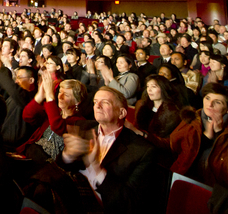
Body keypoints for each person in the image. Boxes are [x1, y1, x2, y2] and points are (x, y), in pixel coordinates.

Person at [59, 86, 164, 214]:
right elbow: (61, 169)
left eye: (105, 103)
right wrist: (67, 155)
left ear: (121, 113)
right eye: (95, 102)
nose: (97, 106)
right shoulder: (83, 127)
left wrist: (96, 168)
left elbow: (129, 203)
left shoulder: (143, 151)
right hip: (70, 197)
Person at [168, 83, 228, 214]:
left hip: (220, 194)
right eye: (207, 98)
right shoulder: (192, 120)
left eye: (218, 102)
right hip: (186, 180)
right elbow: (176, 149)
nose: (209, 105)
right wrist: (206, 137)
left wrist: (218, 132)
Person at [21, 73, 86, 162]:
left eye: (66, 95)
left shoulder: (80, 122)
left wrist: (50, 95)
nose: (60, 96)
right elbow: (27, 116)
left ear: (77, 101)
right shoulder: (55, 110)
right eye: (60, 92)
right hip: (32, 151)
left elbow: (57, 126)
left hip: (50, 164)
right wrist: (40, 95)